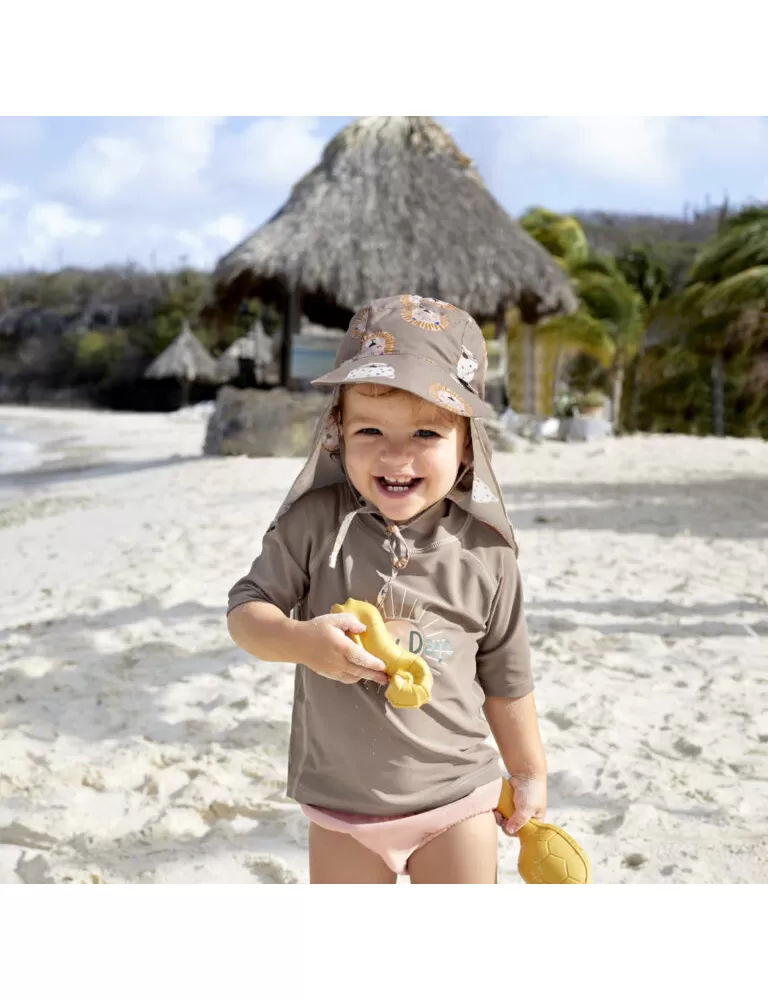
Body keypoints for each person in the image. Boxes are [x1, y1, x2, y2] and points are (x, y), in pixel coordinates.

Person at [227, 294, 547, 884]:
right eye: (370, 429)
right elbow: (246, 613)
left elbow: (507, 676)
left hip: (459, 797)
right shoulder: (315, 525)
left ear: (467, 444)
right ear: (338, 431)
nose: (396, 454)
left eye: (426, 432)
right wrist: (302, 642)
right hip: (341, 806)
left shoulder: (486, 551)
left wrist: (528, 772)